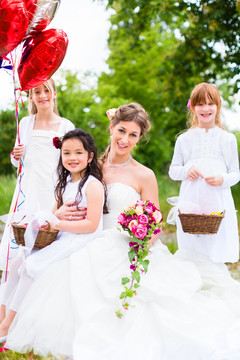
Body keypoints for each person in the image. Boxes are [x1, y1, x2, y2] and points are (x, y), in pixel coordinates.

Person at [4, 103, 240, 359]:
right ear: (112, 127)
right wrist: (56, 215)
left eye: (133, 135)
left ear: (140, 139)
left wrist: (142, 242)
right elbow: (65, 194)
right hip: (82, 236)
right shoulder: (89, 164)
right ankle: (10, 321)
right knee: (43, 267)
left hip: (127, 242)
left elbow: (155, 222)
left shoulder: (144, 174)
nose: (125, 139)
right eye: (122, 130)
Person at [0, 129, 105, 340]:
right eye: (66, 153)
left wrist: (58, 223)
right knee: (18, 263)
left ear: (90, 156)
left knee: (31, 267)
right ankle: (2, 317)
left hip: (80, 239)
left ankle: (7, 326)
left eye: (78, 152)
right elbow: (51, 215)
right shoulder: (65, 183)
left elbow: (92, 225)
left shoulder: (93, 185)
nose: (72, 158)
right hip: (63, 234)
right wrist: (54, 218)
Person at [0, 78, 75, 273]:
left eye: (47, 91)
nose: (43, 95)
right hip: (29, 189)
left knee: (50, 236)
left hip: (53, 190)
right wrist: (16, 155)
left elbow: (73, 162)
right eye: (37, 92)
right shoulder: (25, 123)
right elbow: (18, 162)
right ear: (31, 97)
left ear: (55, 94)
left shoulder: (65, 126)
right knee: (24, 238)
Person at [168, 82, 240, 263]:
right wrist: (186, 171)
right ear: (192, 107)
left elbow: (235, 173)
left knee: (215, 249)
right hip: (191, 204)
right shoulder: (184, 139)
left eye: (210, 103)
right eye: (200, 104)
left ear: (218, 106)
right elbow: (173, 171)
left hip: (218, 204)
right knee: (192, 250)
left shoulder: (227, 139)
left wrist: (222, 178)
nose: (205, 109)